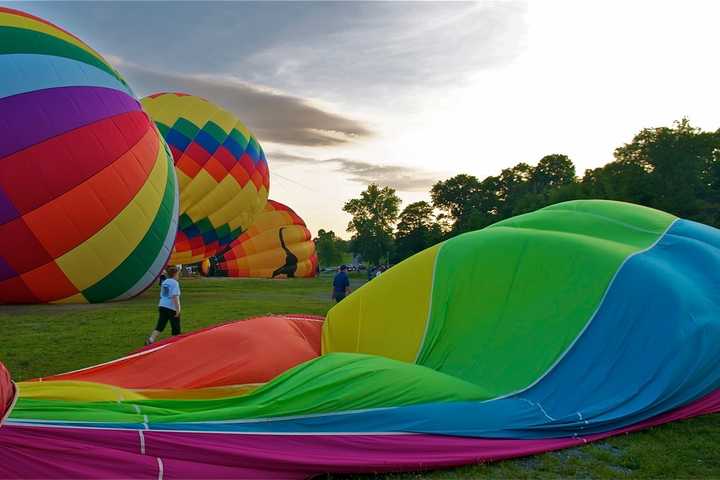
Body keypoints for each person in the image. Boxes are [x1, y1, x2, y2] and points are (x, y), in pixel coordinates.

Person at [146, 265, 181, 345]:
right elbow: (175, 297)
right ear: (175, 274)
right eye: (178, 274)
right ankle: (176, 342)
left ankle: (151, 339)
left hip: (162, 305)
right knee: (175, 326)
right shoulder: (175, 283)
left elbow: (164, 294)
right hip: (171, 307)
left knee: (161, 324)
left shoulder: (164, 282)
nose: (178, 276)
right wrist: (178, 309)